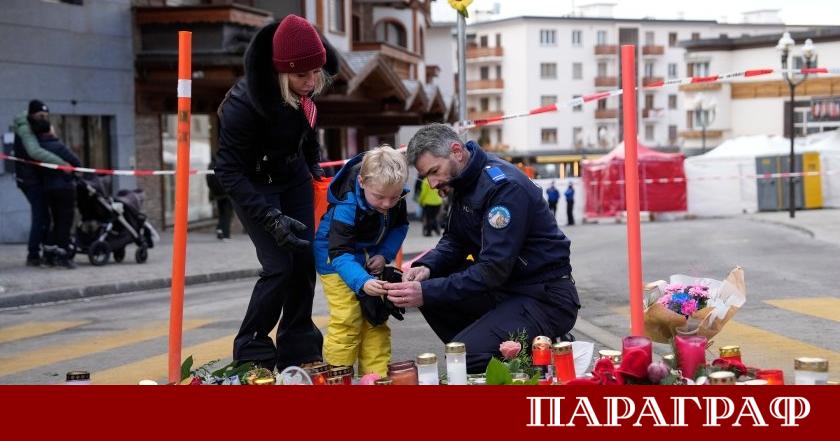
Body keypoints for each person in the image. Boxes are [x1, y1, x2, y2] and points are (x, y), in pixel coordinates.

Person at [384, 124, 580, 373]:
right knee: (433, 287)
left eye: (435, 171)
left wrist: (426, 290)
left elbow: (492, 270)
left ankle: (544, 353)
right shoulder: (464, 183)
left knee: (465, 357)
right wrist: (425, 268)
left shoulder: (503, 188)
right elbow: (454, 240)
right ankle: (484, 346)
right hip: (508, 290)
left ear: (456, 151)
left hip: (544, 297)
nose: (432, 184)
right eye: (427, 177)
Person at [213, 14, 339, 371]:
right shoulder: (243, 106)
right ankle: (252, 350)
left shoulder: (305, 92)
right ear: (281, 72)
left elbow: (307, 133)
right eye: (302, 75)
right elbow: (228, 171)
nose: (312, 82)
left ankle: (299, 347)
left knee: (303, 263)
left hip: (292, 175)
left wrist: (315, 166)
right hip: (251, 183)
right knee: (279, 267)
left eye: (316, 73)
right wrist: (268, 216)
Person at [314, 146, 409, 376]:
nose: (387, 204)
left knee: (375, 318)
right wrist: (362, 282)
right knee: (348, 318)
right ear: (362, 182)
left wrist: (384, 254)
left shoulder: (395, 196)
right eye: (379, 197)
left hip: (367, 258)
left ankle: (375, 378)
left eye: (393, 197)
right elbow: (339, 252)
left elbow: (399, 226)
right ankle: (339, 376)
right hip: (335, 260)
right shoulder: (346, 205)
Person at [12, 100, 69, 266]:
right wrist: (62, 164)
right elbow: (34, 151)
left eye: (46, 116)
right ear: (31, 115)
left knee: (44, 216)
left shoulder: (34, 126)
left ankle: (45, 250)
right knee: (41, 216)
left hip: (36, 178)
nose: (43, 119)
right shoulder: (25, 129)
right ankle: (33, 254)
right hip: (29, 180)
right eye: (40, 116)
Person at [28, 115, 81, 268]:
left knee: (54, 222)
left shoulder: (37, 149)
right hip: (64, 189)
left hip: (48, 189)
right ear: (49, 130)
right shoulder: (57, 146)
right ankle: (63, 256)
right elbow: (76, 163)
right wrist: (71, 172)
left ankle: (49, 254)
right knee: (64, 222)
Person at [206, 158, 233, 240]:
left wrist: (213, 192)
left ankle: (220, 229)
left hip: (217, 194)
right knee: (227, 214)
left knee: (221, 213)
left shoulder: (212, 164)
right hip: (226, 193)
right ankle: (225, 234)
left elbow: (208, 179)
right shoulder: (225, 161)